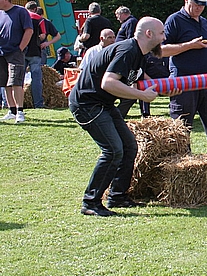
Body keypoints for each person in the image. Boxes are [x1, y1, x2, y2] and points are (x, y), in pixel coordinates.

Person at [69, 17, 178, 216]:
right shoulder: (128, 50)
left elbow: (140, 81)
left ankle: (117, 196)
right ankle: (90, 202)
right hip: (87, 104)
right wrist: (141, 96)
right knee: (113, 150)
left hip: (103, 103)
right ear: (149, 34)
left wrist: (164, 90)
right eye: (162, 33)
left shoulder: (139, 54)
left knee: (129, 146)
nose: (164, 37)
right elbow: (108, 83)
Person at [161, 0, 207, 151]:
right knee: (181, 130)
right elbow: (161, 50)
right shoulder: (174, 20)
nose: (199, 8)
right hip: (184, 83)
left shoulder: (205, 22)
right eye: (196, 3)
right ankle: (181, 162)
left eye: (203, 5)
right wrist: (189, 45)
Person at [0, 0, 33, 123]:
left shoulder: (20, 11)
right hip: (2, 53)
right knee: (5, 83)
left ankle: (20, 111)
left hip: (15, 53)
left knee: (16, 82)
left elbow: (29, 30)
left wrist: (20, 48)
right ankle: (12, 110)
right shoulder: (0, 14)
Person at [24, 1, 46, 109]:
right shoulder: (39, 18)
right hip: (35, 51)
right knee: (36, 78)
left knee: (18, 78)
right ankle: (38, 104)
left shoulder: (20, 16)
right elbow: (43, 36)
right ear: (35, 9)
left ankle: (16, 103)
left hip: (21, 51)